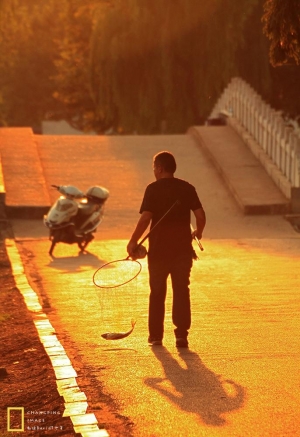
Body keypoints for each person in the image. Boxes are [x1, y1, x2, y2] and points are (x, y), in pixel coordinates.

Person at [127, 151, 206, 348]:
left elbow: (146, 218)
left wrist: (133, 241)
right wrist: (199, 232)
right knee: (181, 290)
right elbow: (200, 215)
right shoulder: (187, 188)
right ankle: (181, 335)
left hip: (159, 251)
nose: (154, 171)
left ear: (160, 168)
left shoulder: (152, 189)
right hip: (182, 251)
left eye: (154, 167)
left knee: (157, 292)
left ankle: (156, 337)